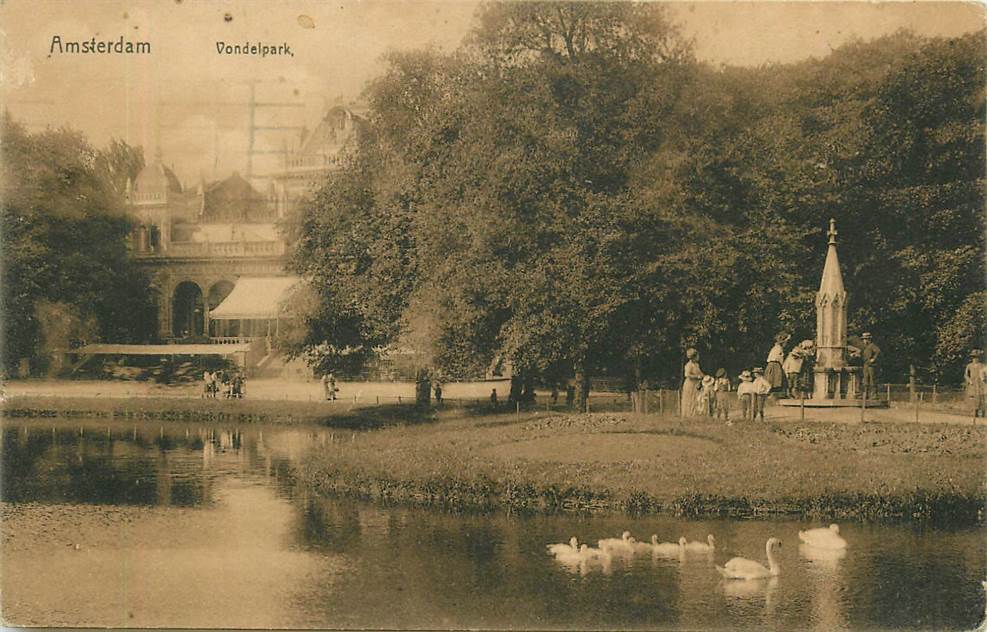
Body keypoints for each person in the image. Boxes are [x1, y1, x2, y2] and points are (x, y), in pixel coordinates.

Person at [681, 348, 704, 416]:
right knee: (689, 399)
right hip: (690, 384)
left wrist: (704, 376)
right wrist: (697, 377)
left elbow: (700, 373)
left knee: (696, 399)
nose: (698, 357)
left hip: (695, 384)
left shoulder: (697, 365)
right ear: (694, 357)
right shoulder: (689, 365)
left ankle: (694, 414)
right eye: (697, 356)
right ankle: (688, 414)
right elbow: (687, 375)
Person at [859, 332, 881, 399]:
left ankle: (874, 395)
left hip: (871, 366)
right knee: (865, 380)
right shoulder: (865, 347)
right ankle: (865, 395)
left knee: (872, 380)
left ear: (869, 339)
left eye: (866, 339)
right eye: (863, 339)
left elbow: (878, 352)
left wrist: (873, 359)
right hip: (865, 365)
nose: (864, 341)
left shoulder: (872, 346)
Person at [965, 350, 986, 417]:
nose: (975, 359)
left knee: (982, 398)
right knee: (974, 398)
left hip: (981, 384)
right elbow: (966, 375)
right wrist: (969, 381)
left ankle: (983, 412)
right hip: (973, 384)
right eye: (974, 357)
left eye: (977, 357)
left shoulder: (983, 366)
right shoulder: (969, 366)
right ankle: (975, 412)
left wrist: (984, 379)